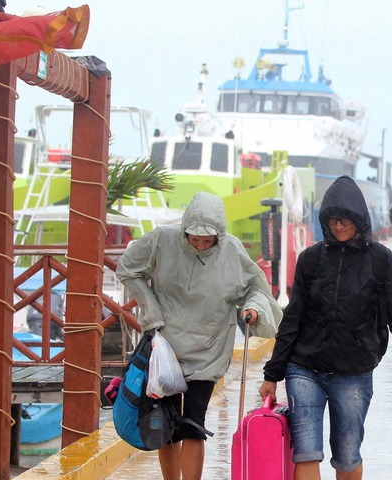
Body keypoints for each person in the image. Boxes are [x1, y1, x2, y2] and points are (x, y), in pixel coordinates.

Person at [259, 175, 392, 480]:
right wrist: (273, 374)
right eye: (332, 220)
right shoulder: (312, 259)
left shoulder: (379, 260)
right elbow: (293, 317)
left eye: (345, 219)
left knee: (347, 458)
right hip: (304, 368)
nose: (338, 226)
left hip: (353, 372)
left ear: (359, 219)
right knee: (306, 450)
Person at [116, 191, 281, 480]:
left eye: (208, 241)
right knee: (163, 427)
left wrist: (253, 309)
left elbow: (255, 288)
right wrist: (150, 308)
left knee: (193, 424)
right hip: (164, 349)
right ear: (184, 230)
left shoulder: (231, 250)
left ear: (220, 235)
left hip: (207, 349)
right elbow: (127, 268)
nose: (201, 245)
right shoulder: (161, 240)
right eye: (195, 239)